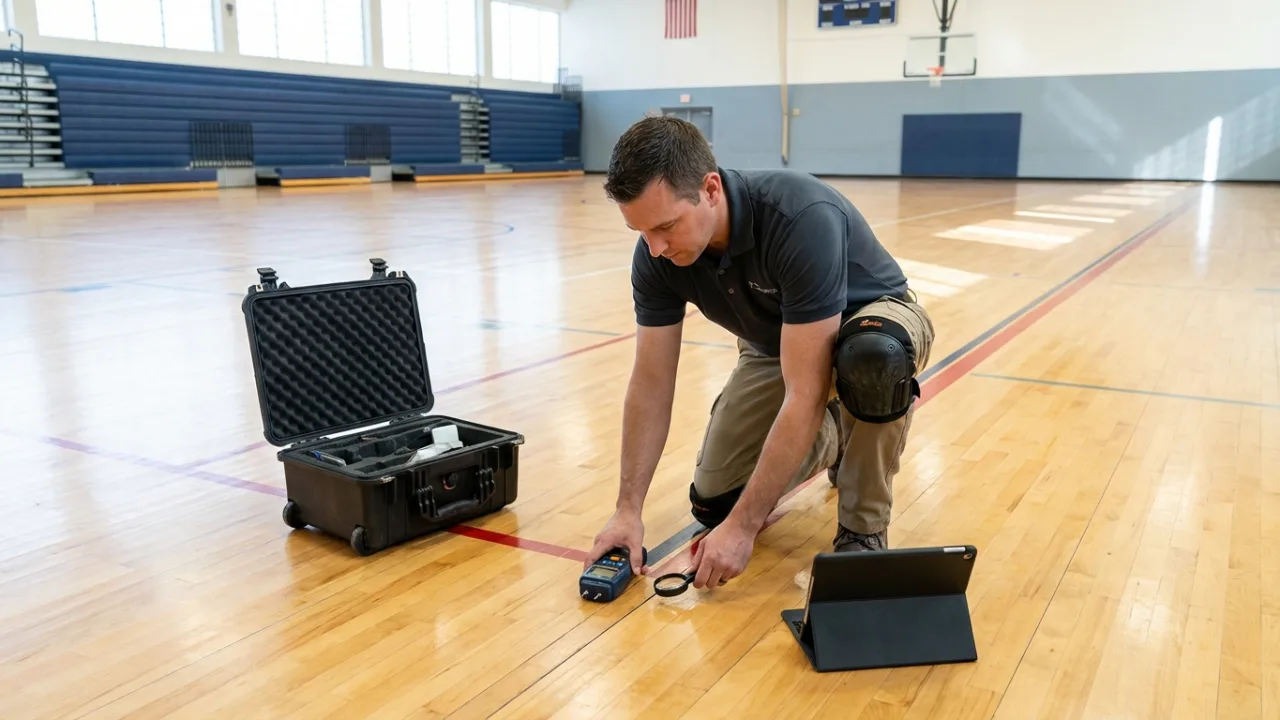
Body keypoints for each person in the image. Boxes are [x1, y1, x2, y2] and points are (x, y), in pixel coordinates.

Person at [584, 116, 934, 592]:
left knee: (873, 360)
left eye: (666, 226)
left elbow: (805, 392)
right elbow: (650, 385)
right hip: (777, 344)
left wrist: (747, 529)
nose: (656, 247)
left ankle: (862, 531)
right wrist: (628, 510)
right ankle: (840, 436)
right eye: (641, 232)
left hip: (873, 319)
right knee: (718, 504)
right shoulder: (655, 255)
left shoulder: (798, 216)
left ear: (710, 189)